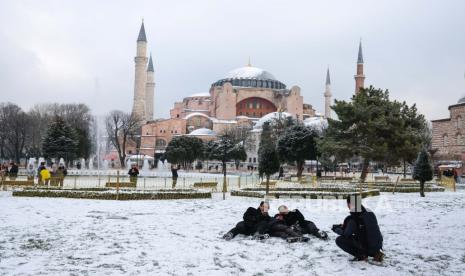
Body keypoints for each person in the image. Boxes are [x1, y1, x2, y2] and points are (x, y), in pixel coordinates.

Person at [332, 195, 384, 262]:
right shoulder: (370, 212)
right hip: (378, 245)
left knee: (339, 240)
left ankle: (361, 255)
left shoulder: (354, 218)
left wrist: (336, 229)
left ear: (350, 204)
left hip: (367, 247)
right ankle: (376, 253)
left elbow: (346, 234)